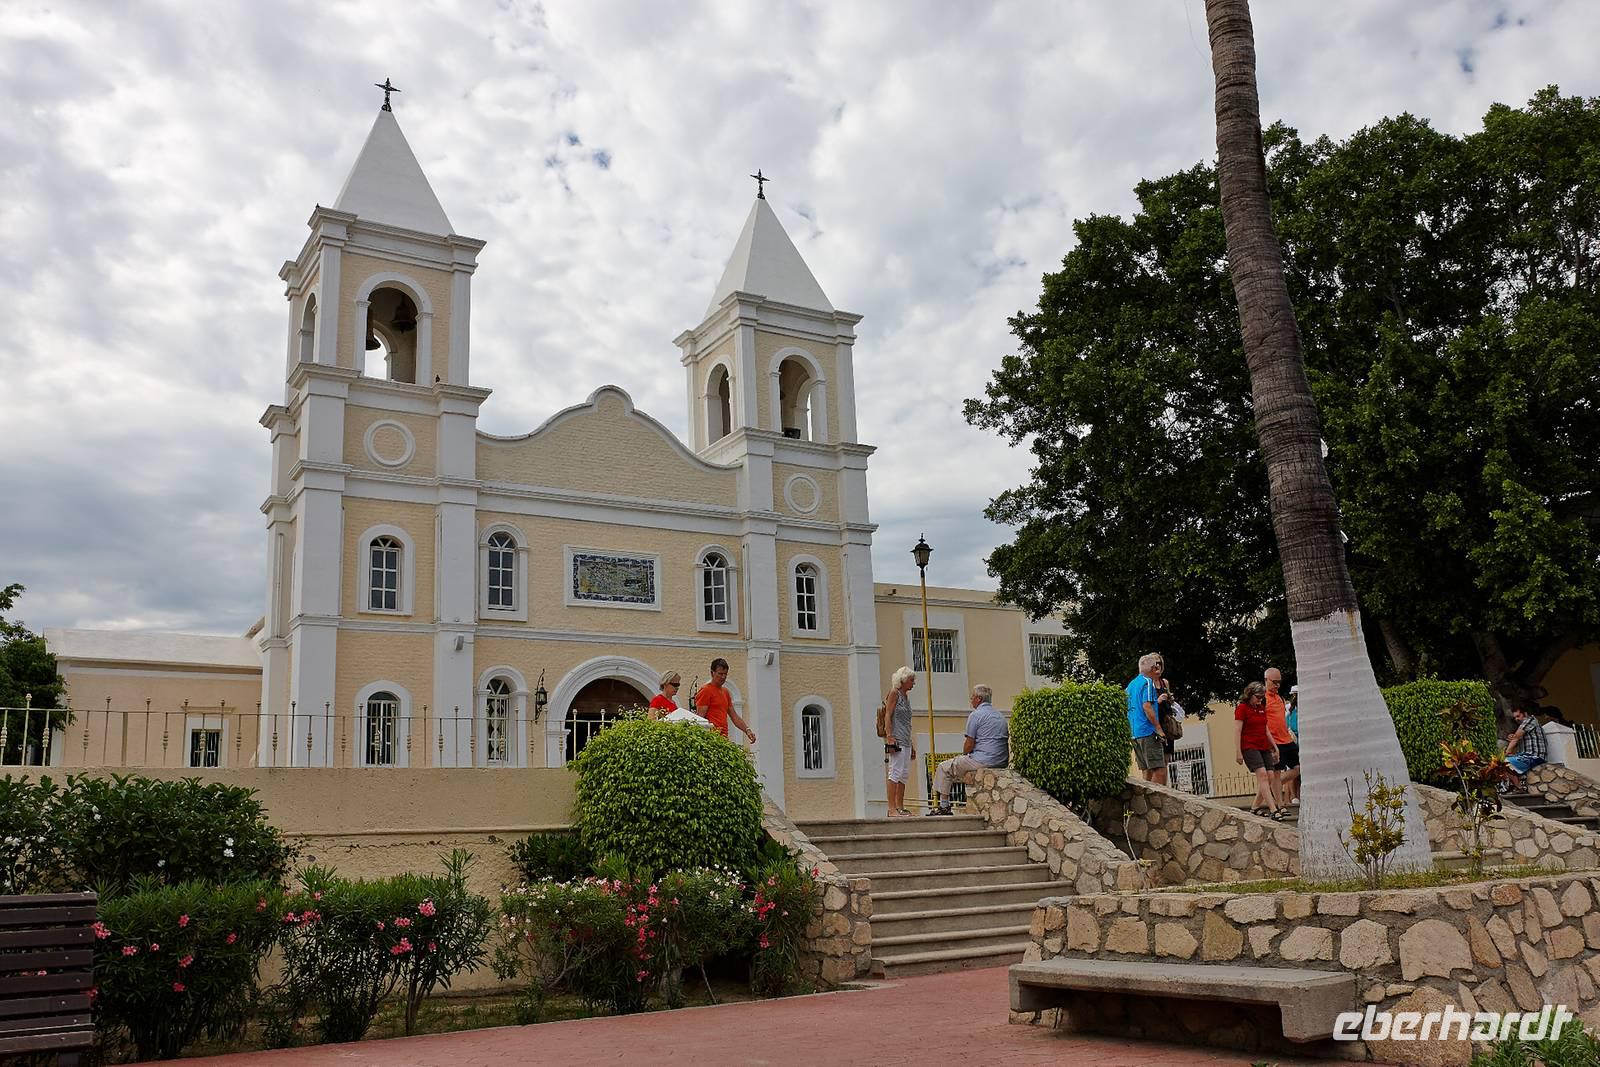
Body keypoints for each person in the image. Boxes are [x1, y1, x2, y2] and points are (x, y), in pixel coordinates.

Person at [929, 685, 1010, 816]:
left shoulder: (976, 715)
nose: (971, 699)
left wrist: (963, 755)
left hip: (982, 760)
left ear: (979, 699)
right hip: (1001, 761)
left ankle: (944, 806)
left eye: (972, 697)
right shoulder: (1000, 716)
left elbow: (969, 744)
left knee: (944, 767)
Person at [1235, 681, 1287, 820]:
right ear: (1250, 694)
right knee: (1263, 775)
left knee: (1270, 776)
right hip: (1249, 746)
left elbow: (1266, 730)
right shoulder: (1242, 708)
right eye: (1257, 697)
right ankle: (1273, 809)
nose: (1260, 700)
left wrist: (1275, 747)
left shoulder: (1261, 708)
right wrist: (1238, 752)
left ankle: (1255, 807)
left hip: (1263, 745)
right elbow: (1237, 731)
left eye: (1262, 697)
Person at [879, 667, 917, 817]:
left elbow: (907, 723)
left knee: (904, 774)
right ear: (903, 680)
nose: (913, 683)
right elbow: (888, 715)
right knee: (895, 772)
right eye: (911, 680)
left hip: (905, 739)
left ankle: (900, 805)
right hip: (897, 739)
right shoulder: (894, 693)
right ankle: (891, 808)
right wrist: (889, 735)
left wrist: (911, 744)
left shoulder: (906, 697)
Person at [1126, 652, 1167, 785]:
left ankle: (1145, 796)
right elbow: (1147, 706)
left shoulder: (1131, 685)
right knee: (1159, 769)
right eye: (1155, 666)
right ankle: (1155, 797)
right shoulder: (1148, 682)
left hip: (1135, 733)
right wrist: (1158, 729)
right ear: (1152, 668)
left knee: (1146, 770)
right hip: (1148, 731)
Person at [694, 658, 756, 744]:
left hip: (723, 738)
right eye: (720, 674)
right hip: (710, 738)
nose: (723, 677)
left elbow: (734, 716)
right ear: (712, 673)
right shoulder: (706, 690)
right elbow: (700, 718)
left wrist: (747, 730)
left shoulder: (725, 692)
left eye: (725, 674)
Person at [1263, 668, 1297, 807]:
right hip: (1274, 741)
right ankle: (1279, 804)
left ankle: (1269, 787)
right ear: (1266, 680)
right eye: (1274, 682)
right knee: (1276, 773)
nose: (1277, 685)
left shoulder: (1280, 698)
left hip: (1287, 739)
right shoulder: (1262, 699)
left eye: (1279, 682)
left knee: (1298, 768)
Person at [1504, 705, 1547, 790]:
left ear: (1525, 714)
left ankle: (1519, 788)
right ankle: (1518, 787)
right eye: (1515, 717)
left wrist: (1506, 753)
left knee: (1504, 762)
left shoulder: (1529, 720)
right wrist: (1512, 737)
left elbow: (1516, 738)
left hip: (1535, 756)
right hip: (1526, 755)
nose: (1516, 719)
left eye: (1518, 716)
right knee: (1504, 764)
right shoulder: (1525, 725)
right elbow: (1516, 738)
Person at [1282, 684, 1302, 805]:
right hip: (1293, 743)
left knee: (1299, 772)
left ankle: (1297, 796)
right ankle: (1293, 796)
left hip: (1300, 743)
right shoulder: (1289, 710)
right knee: (1293, 770)